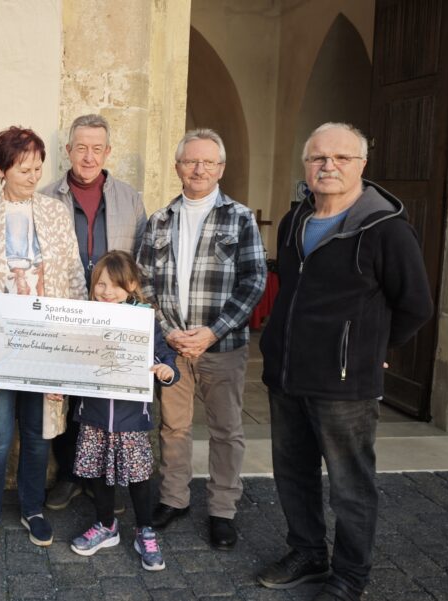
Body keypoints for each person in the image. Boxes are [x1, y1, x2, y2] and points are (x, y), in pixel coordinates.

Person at [256, 123, 432, 601]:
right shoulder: (295, 221)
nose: (328, 166)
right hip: (287, 375)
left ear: (361, 165)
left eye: (340, 158)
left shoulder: (386, 229)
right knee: (292, 474)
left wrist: (369, 353)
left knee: (350, 487)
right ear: (305, 165)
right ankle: (308, 552)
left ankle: (350, 575)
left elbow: (415, 304)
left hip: (344, 385)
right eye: (317, 158)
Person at [0, 126, 87, 560]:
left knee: (37, 429)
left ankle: (32, 509)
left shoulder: (54, 213)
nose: (32, 175)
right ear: (0, 169)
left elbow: (73, 276)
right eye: (22, 168)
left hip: (46, 342)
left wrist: (74, 333)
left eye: (37, 167)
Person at [135, 128, 266, 548]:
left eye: (208, 162)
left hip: (221, 347)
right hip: (172, 347)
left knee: (226, 429)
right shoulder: (159, 220)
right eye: (191, 161)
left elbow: (254, 281)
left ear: (221, 168)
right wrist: (169, 333)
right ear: (177, 167)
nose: (199, 169)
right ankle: (174, 498)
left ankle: (222, 508)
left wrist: (212, 332)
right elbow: (143, 285)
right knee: (173, 428)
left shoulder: (240, 218)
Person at [40, 113, 147, 510]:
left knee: (107, 399)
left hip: (113, 316)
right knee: (67, 398)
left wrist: (133, 309)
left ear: (108, 152)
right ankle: (69, 475)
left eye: (97, 149)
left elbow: (139, 259)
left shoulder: (130, 199)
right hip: (66, 314)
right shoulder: (47, 196)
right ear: (67, 151)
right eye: (80, 148)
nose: (88, 157)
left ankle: (104, 480)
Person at [58, 251, 179, 572]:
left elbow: (165, 355)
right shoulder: (84, 319)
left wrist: (167, 371)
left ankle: (145, 530)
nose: (107, 292)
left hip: (131, 418)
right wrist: (58, 383)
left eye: (115, 285)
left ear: (133, 285)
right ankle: (105, 525)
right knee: (98, 473)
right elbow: (71, 358)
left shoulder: (144, 320)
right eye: (100, 284)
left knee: (138, 477)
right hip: (94, 415)